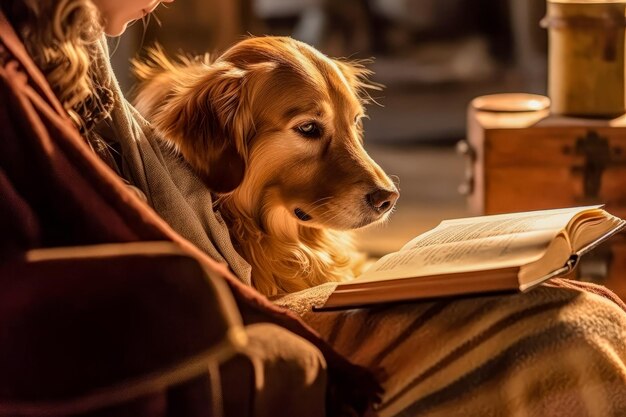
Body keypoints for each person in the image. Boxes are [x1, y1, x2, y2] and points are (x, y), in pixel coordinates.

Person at [2, 1, 626, 416]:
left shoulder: (65, 64)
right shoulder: (19, 84)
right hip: (242, 315)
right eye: (310, 132)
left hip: (253, 296)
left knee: (577, 305)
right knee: (562, 324)